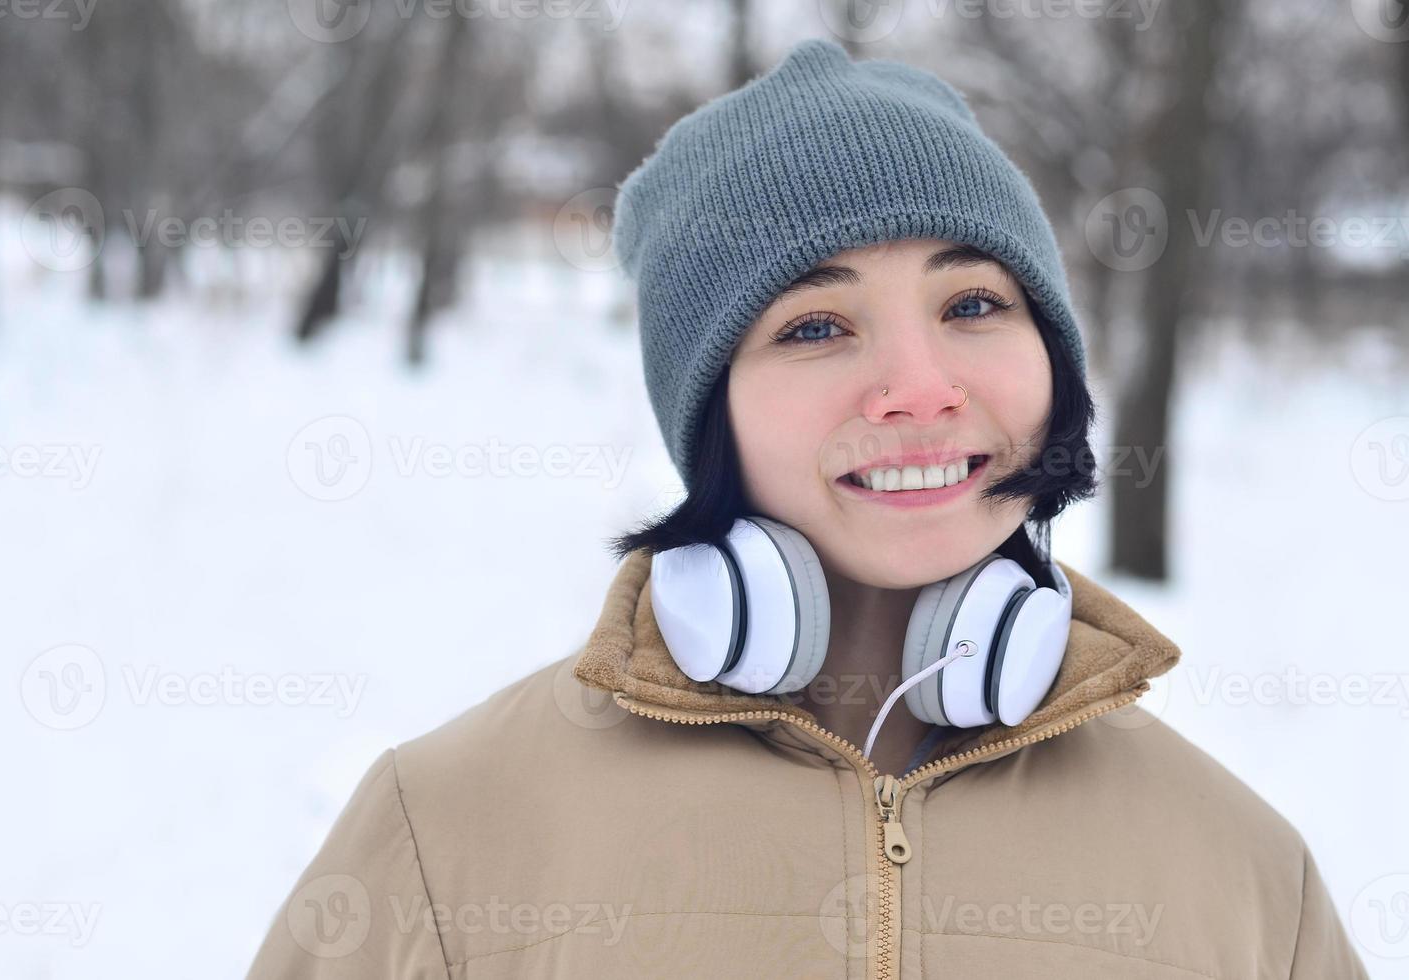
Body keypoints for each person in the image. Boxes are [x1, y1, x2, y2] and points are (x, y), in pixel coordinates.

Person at [243, 38, 1370, 979]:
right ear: (707, 415)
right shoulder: (447, 833)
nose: (922, 383)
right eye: (815, 325)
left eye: (973, 300)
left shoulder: (1243, 877)